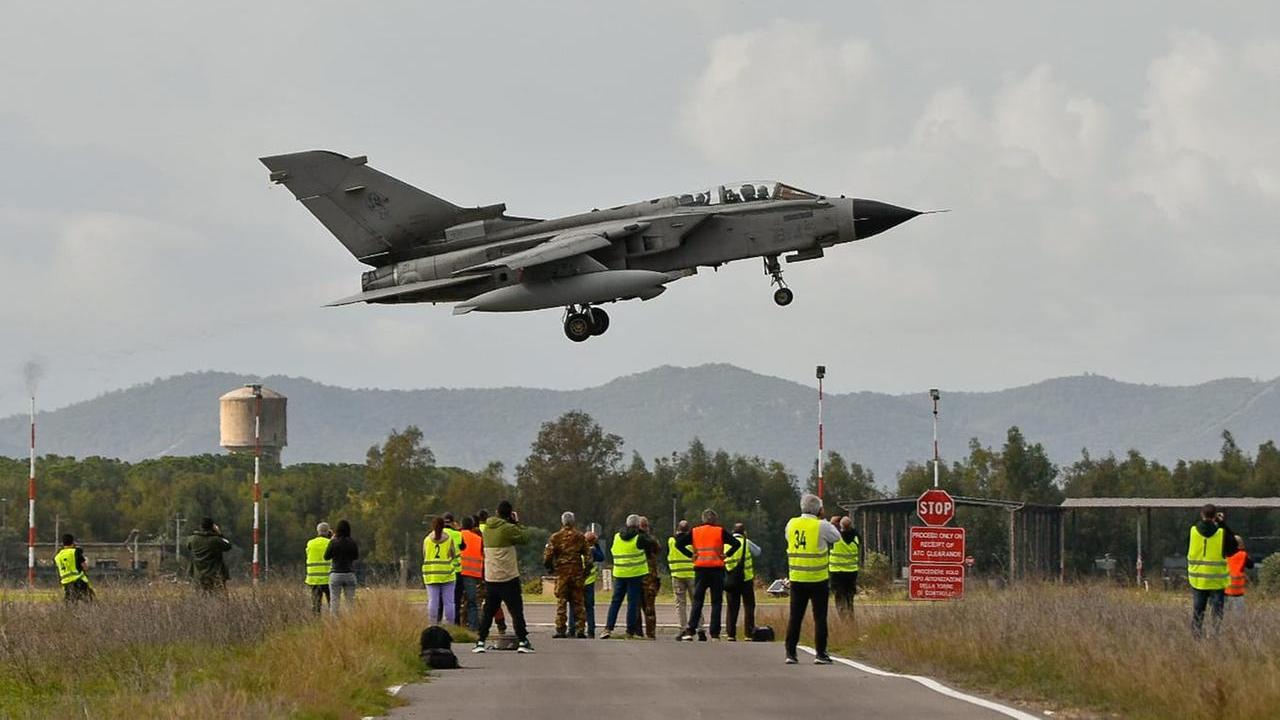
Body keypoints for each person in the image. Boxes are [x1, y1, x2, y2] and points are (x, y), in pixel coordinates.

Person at [784, 494, 841, 664]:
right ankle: (821, 653)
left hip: (797, 577)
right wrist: (826, 521)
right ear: (819, 510)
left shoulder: (791, 524)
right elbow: (836, 537)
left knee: (795, 617)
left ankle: (790, 653)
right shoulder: (821, 525)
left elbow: (788, 538)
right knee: (820, 617)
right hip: (818, 578)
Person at [473, 500, 534, 653]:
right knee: (516, 611)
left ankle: (480, 641)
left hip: (491, 577)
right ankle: (522, 640)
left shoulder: (487, 528)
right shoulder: (507, 529)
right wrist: (516, 522)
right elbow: (526, 537)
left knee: (488, 611)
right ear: (509, 514)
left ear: (496, 512)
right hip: (508, 577)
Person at [676, 509, 740, 641]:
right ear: (715, 520)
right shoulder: (720, 531)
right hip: (717, 569)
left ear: (702, 519)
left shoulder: (695, 531)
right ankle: (715, 633)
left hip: (700, 569)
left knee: (697, 601)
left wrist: (691, 555)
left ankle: (690, 630)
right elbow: (736, 543)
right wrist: (726, 554)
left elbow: (679, 544)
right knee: (716, 602)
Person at [603, 514, 656, 639]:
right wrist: (644, 532)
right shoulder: (640, 537)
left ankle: (608, 628)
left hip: (620, 573)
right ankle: (630, 631)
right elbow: (652, 546)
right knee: (632, 603)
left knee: (615, 602)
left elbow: (612, 551)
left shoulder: (617, 536)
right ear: (638, 525)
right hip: (635, 574)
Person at [1188, 504, 1237, 637]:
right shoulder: (1221, 533)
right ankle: (1215, 636)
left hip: (1198, 580)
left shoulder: (1193, 531)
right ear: (1215, 516)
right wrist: (1222, 524)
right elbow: (1234, 546)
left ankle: (1196, 637)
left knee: (1198, 612)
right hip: (1216, 581)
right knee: (1217, 613)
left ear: (1201, 515)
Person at [544, 511, 591, 638]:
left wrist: (550, 568)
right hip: (577, 573)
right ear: (573, 521)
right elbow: (588, 557)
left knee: (562, 601)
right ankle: (580, 629)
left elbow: (548, 556)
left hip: (562, 573)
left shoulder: (555, 537)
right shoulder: (580, 537)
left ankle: (560, 629)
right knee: (578, 602)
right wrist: (585, 572)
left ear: (562, 522)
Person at [724, 522, 760, 641]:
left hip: (730, 579)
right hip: (746, 579)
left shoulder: (725, 544)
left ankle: (730, 634)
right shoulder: (746, 542)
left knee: (732, 607)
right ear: (744, 532)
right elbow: (758, 552)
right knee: (749, 606)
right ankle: (748, 633)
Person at [568, 530, 606, 637]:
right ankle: (591, 630)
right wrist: (597, 544)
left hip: (576, 582)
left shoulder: (576, 550)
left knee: (573, 606)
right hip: (588, 582)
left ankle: (572, 628)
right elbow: (602, 557)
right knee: (589, 607)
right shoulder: (592, 551)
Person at [423, 516, 459, 625]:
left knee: (433, 601)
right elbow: (453, 554)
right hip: (447, 573)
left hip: (431, 574)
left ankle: (432, 624)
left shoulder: (427, 540)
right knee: (449, 602)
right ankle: (450, 625)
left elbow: (424, 555)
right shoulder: (448, 539)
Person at [187, 517, 232, 595]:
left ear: (201, 527)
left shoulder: (192, 539)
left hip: (198, 576)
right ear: (212, 527)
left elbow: (188, 546)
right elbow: (228, 545)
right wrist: (219, 534)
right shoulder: (216, 540)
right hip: (215, 576)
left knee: (199, 599)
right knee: (218, 600)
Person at [325, 519, 359, 615]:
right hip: (349, 573)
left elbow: (326, 556)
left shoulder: (334, 542)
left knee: (334, 602)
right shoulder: (352, 542)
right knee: (350, 602)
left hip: (336, 574)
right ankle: (350, 623)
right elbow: (356, 556)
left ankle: (334, 624)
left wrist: (331, 541)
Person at [829, 516, 861, 612]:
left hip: (837, 572)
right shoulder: (856, 537)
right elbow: (853, 531)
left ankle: (843, 619)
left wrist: (833, 523)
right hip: (852, 572)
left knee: (839, 597)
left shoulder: (836, 538)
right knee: (849, 597)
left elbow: (829, 532)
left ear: (840, 526)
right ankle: (850, 617)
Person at [458, 516, 485, 630]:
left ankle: (458, 625)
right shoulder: (478, 539)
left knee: (457, 601)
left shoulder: (456, 536)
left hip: (457, 572)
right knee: (472, 602)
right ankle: (474, 627)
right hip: (473, 574)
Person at [667, 520, 694, 630]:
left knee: (680, 604)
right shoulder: (693, 540)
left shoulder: (671, 541)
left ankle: (683, 627)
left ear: (678, 529)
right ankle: (699, 626)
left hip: (677, 574)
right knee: (696, 602)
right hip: (692, 574)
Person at [639, 516, 661, 639]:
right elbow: (658, 549)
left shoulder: (648, 540)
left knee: (644, 607)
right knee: (646, 607)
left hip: (643, 577)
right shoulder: (645, 540)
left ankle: (645, 633)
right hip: (646, 576)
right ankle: (647, 633)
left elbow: (658, 549)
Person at [54, 534, 93, 602]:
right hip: (79, 582)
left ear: (63, 543)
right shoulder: (75, 552)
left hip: (66, 584)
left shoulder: (57, 556)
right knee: (90, 604)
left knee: (70, 606)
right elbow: (85, 567)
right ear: (73, 542)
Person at [442, 512, 465, 622]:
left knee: (440, 600)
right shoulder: (457, 534)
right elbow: (463, 547)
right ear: (452, 522)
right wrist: (459, 529)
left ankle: (437, 622)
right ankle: (455, 623)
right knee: (455, 600)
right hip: (456, 571)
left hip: (442, 571)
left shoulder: (435, 534)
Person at [305, 522, 333, 614]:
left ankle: (316, 623)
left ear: (317, 531)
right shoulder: (331, 543)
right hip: (328, 579)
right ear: (328, 532)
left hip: (314, 579)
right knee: (332, 605)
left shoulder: (310, 543)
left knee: (316, 605)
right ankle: (333, 623)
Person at [1225, 534, 1254, 614]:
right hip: (1238, 592)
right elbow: (1251, 565)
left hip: (1225, 590)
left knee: (1224, 615)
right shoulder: (1243, 555)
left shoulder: (1224, 554)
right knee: (1238, 617)